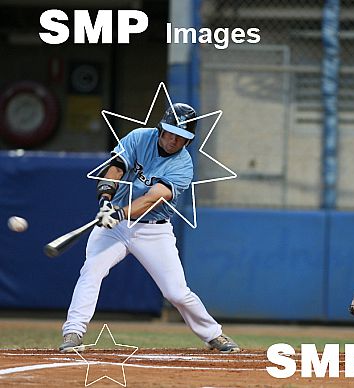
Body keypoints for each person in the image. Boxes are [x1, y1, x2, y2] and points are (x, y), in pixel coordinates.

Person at [59, 103, 240, 353]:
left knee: (176, 293)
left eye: (183, 137)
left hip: (153, 231)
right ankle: (73, 331)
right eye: (171, 133)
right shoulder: (139, 138)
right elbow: (116, 167)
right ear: (161, 129)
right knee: (92, 270)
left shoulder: (183, 166)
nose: (175, 140)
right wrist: (105, 201)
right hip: (115, 227)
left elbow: (153, 197)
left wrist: (119, 212)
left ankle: (214, 335)